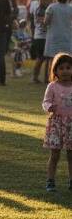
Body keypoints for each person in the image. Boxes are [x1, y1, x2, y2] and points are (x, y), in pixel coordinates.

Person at [42, 53, 72, 192]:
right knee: (55, 155)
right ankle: (50, 180)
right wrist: (49, 107)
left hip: (71, 126)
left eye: (68, 67)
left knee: (71, 155)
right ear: (55, 71)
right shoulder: (52, 86)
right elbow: (46, 102)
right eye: (61, 68)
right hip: (56, 125)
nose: (65, 71)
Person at [44, 0, 72, 76]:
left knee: (51, 59)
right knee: (66, 59)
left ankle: (49, 77)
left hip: (53, 37)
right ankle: (67, 76)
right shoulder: (70, 8)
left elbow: (46, 21)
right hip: (66, 37)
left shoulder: (51, 7)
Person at [32, 0, 52, 83]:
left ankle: (46, 78)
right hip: (40, 37)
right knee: (40, 58)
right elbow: (43, 23)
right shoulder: (40, 9)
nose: (49, 1)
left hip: (46, 36)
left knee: (47, 58)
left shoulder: (47, 8)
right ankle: (35, 77)